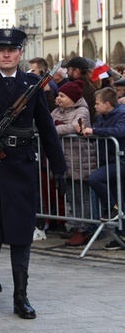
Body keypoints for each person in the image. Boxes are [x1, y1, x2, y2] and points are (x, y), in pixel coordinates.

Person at [0, 27, 67, 320]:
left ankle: (21, 295)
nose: (6, 55)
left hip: (20, 164)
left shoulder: (31, 84)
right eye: (1, 50)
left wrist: (59, 167)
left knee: (21, 233)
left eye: (12, 50)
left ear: (20, 53)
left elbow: (46, 129)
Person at [51, 79, 96, 246]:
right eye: (58, 95)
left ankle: (83, 229)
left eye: (62, 96)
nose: (58, 99)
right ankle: (75, 225)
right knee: (70, 196)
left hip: (80, 158)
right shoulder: (57, 111)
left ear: (72, 98)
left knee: (81, 196)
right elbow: (47, 124)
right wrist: (57, 126)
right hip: (64, 159)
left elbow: (72, 127)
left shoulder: (82, 110)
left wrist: (56, 127)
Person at [79, 87, 125, 250]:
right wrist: (85, 133)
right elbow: (98, 136)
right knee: (119, 198)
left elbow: (119, 131)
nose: (95, 107)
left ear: (107, 104)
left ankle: (112, 210)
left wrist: (95, 131)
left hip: (120, 161)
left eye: (97, 104)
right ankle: (121, 235)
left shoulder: (122, 114)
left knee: (94, 179)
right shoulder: (102, 116)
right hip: (107, 160)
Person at [63, 56, 97, 123]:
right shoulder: (89, 86)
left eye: (68, 69)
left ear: (76, 71)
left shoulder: (78, 88)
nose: (67, 72)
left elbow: (66, 110)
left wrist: (47, 92)